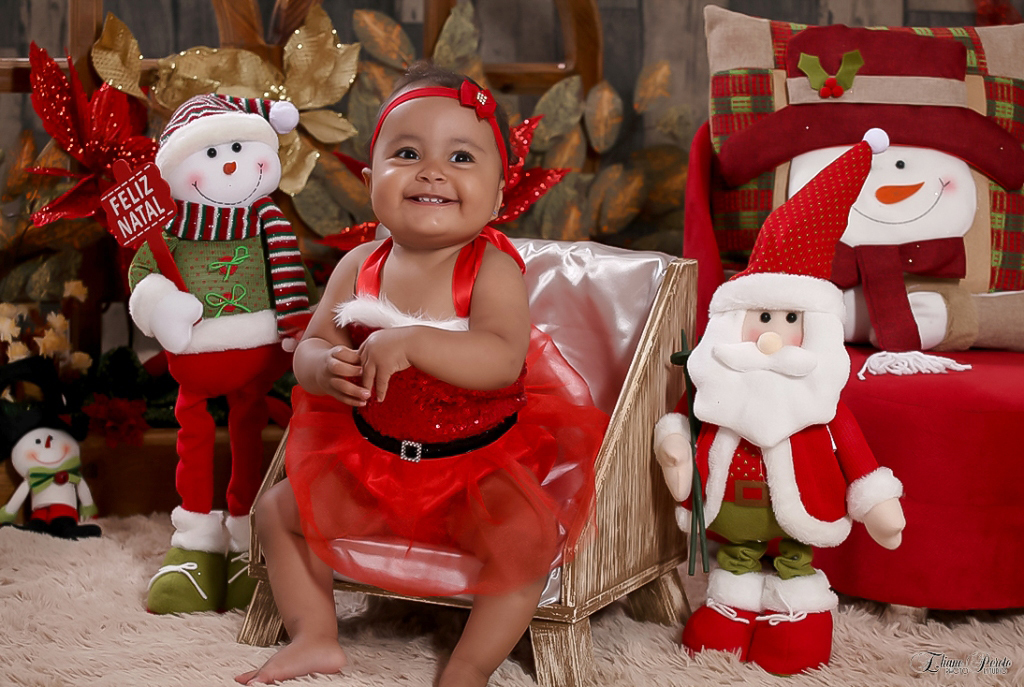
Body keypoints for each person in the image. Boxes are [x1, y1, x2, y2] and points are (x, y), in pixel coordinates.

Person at [237, 63, 606, 687]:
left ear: (498, 196)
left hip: (477, 464)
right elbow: (311, 344)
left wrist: (414, 342)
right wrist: (323, 366)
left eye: (461, 157)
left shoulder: (489, 269)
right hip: (373, 459)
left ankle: (468, 667)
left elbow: (501, 359)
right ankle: (314, 635)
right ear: (370, 182)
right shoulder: (359, 265)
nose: (432, 171)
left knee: (527, 539)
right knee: (277, 512)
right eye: (407, 154)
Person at [653, 130, 906, 675]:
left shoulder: (819, 397)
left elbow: (855, 453)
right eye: (762, 316)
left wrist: (878, 503)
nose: (771, 332)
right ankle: (729, 608)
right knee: (736, 560)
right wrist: (673, 450)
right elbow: (680, 418)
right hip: (731, 514)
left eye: (789, 319)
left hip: (804, 513)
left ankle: (798, 616)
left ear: (812, 328)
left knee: (796, 563)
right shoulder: (715, 379)